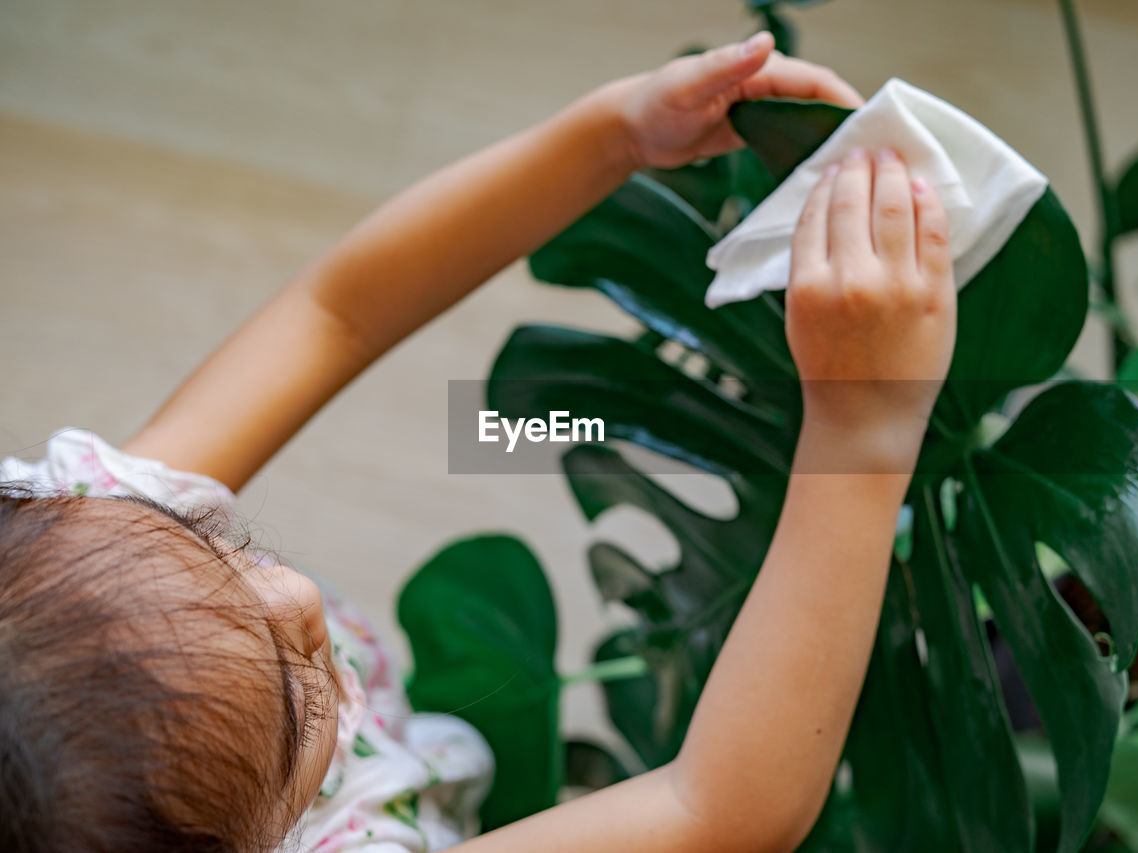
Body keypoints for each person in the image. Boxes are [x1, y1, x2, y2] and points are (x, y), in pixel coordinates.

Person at [0, 30, 956, 853]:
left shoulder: (85, 544)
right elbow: (716, 805)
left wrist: (612, 135)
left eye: (221, 549)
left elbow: (338, 312)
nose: (295, 597)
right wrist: (865, 420)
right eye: (299, 702)